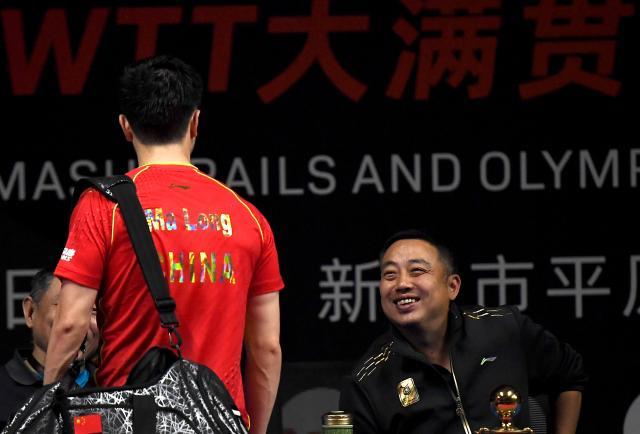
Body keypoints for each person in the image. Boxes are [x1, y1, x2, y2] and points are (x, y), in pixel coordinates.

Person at [44, 55, 284, 433]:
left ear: (125, 126)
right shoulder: (248, 218)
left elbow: (70, 325)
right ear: (195, 122)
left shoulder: (102, 207)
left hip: (129, 420)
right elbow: (267, 348)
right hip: (219, 422)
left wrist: (47, 411)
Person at [339, 229, 587, 434]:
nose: (402, 284)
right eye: (389, 274)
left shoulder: (504, 327)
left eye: (417, 271)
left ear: (452, 286)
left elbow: (569, 373)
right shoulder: (367, 381)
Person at [0, 270, 98, 429]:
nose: (78, 322)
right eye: (65, 306)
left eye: (92, 310)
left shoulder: (115, 388)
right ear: (31, 312)